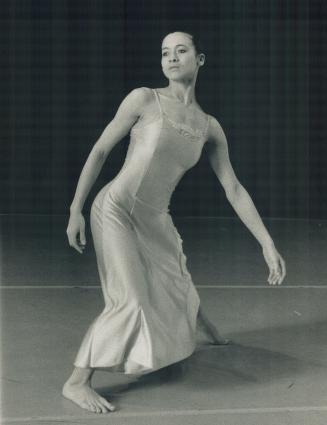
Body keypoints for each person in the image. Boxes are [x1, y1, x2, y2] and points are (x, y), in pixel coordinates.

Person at [62, 30, 286, 414]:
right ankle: (76, 381)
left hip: (155, 218)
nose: (171, 57)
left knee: (177, 280)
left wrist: (267, 242)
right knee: (131, 300)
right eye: (165, 52)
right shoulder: (144, 99)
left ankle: (205, 330)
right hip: (115, 210)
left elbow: (233, 188)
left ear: (200, 60)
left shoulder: (209, 126)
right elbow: (100, 150)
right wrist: (75, 209)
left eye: (181, 50)